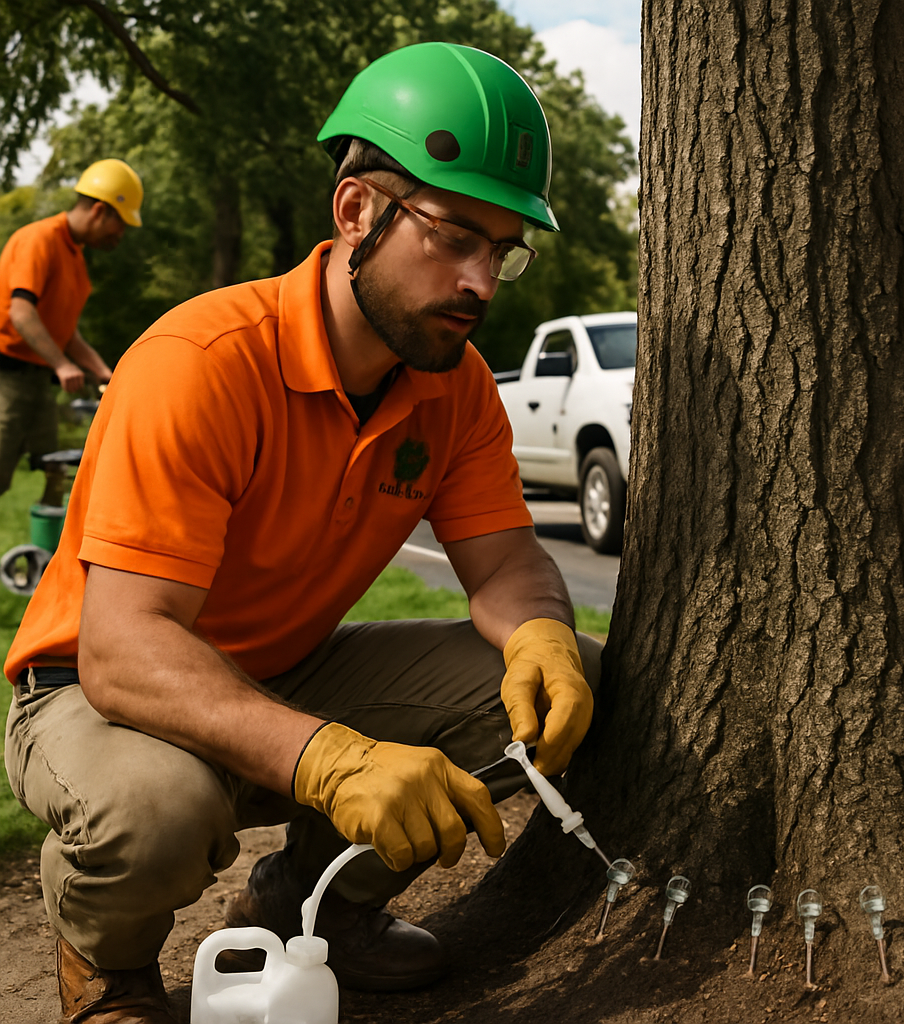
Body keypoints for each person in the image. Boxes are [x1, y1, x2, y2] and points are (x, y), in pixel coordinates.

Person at [3, 42, 601, 1024]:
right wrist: (334, 759)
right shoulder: (200, 361)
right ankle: (104, 966)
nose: (482, 281)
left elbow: (503, 562)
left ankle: (310, 906)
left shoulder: (457, 388)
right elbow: (122, 648)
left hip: (280, 671)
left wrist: (537, 629)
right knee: (158, 809)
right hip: (95, 693)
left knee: (563, 681)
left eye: (502, 249)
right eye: (455, 237)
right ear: (357, 210)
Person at [0, 159, 142, 503]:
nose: (120, 235)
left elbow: (66, 333)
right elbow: (21, 311)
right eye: (120, 224)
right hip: (7, 377)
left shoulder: (74, 259)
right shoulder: (40, 240)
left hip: (37, 383)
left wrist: (105, 373)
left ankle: (46, 554)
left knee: (57, 471)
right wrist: (62, 364)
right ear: (99, 211)